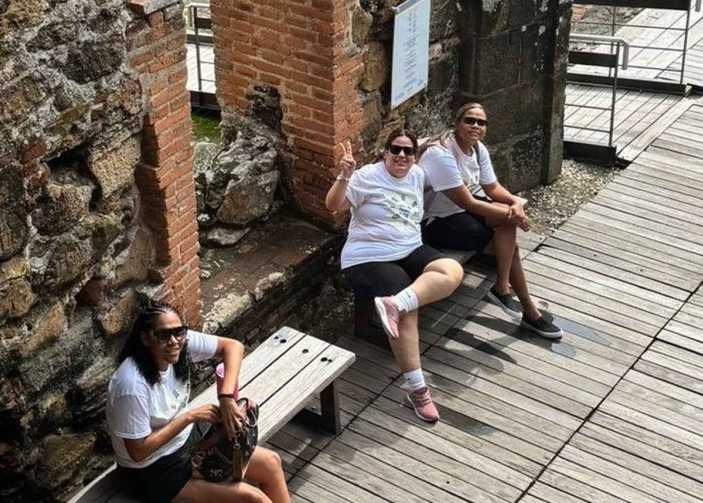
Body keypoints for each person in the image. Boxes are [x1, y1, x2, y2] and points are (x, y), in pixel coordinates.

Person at [326, 131, 464, 423]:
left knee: (452, 270)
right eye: (395, 150)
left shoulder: (416, 174)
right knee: (408, 313)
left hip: (409, 247)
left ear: (415, 155)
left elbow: (448, 170)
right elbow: (333, 205)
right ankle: (417, 388)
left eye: (408, 151)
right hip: (369, 255)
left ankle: (396, 303)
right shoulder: (366, 176)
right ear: (384, 152)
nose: (402, 156)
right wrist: (344, 176)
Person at [107, 301, 291, 503]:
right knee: (253, 498)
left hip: (188, 441)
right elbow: (138, 452)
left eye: (179, 331)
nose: (174, 340)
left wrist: (226, 397)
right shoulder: (131, 386)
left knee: (271, 463)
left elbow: (233, 346)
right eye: (163, 334)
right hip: (153, 469)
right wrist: (189, 417)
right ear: (145, 338)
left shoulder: (180, 344)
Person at [419, 102, 563, 340]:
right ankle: (526, 308)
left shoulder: (477, 148)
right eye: (469, 120)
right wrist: (514, 215)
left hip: (459, 211)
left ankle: (504, 288)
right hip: (435, 221)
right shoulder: (441, 154)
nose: (476, 126)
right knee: (509, 244)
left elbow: (492, 187)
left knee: (506, 223)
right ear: (456, 124)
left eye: (481, 122)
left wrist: (514, 205)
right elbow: (469, 203)